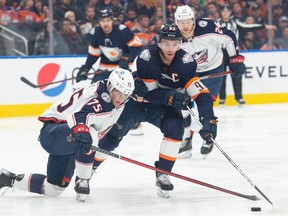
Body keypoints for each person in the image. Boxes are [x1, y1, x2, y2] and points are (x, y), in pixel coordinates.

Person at [92, 24, 218, 198]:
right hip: (137, 103)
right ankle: (90, 168)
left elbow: (201, 94)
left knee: (176, 128)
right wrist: (172, 97)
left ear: (180, 44)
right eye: (166, 43)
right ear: (159, 43)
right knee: (113, 136)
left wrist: (208, 118)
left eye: (174, 44)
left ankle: (163, 173)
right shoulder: (146, 58)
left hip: (162, 107)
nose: (170, 48)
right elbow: (149, 94)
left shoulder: (186, 62)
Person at [0, 68, 135, 202]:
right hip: (54, 132)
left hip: (70, 143)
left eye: (125, 94)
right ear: (110, 86)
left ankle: (7, 179)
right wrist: (82, 133)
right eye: (118, 92)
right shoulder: (100, 99)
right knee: (89, 133)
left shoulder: (117, 100)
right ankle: (82, 180)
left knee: (53, 189)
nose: (121, 98)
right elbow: (77, 118)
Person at [174, 5, 246, 158]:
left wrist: (235, 59)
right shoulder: (173, 38)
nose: (185, 26)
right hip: (191, 72)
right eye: (181, 22)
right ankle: (186, 139)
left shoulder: (207, 27)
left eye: (188, 21)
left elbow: (228, 36)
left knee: (204, 104)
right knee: (183, 106)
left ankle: (208, 136)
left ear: (193, 20)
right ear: (176, 23)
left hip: (214, 69)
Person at [216, 4, 276, 107]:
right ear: (221, 13)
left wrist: (264, 26)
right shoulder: (215, 24)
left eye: (227, 11)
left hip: (233, 53)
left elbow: (249, 27)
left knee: (237, 74)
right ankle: (222, 98)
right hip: (219, 53)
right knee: (221, 76)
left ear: (230, 12)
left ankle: (239, 98)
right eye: (223, 11)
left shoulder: (235, 23)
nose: (225, 13)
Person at [75, 8, 143, 84]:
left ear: (112, 21)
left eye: (108, 20)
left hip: (123, 68)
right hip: (104, 68)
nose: (105, 24)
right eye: (103, 21)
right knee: (95, 87)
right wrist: (85, 69)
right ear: (99, 22)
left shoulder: (122, 31)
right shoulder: (95, 33)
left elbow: (137, 46)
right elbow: (93, 55)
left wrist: (127, 57)